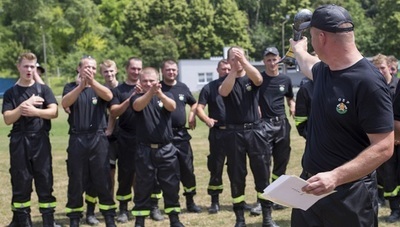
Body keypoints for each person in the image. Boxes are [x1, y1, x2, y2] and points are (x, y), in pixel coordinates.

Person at [289, 4, 394, 226]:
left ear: (322, 37)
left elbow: (384, 146)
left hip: (349, 194)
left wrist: (334, 177)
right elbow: (307, 63)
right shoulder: (325, 70)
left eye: (312, 35)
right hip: (310, 188)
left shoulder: (368, 82)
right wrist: (298, 49)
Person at [218, 46, 278, 227]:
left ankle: (267, 217)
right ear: (228, 61)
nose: (237, 61)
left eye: (240, 57)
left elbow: (259, 79)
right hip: (234, 132)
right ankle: (239, 219)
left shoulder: (251, 76)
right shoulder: (226, 80)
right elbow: (223, 92)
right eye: (233, 58)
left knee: (262, 173)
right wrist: (233, 71)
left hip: (255, 131)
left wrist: (243, 61)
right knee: (237, 174)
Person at [2, 52, 59, 227]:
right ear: (18, 67)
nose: (29, 70)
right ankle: (23, 221)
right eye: (26, 66)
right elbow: (8, 118)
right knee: (21, 181)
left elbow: (54, 112)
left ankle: (48, 221)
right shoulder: (11, 92)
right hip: (20, 141)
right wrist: (23, 106)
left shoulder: (44, 89)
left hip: (40, 140)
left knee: (45, 179)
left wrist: (36, 112)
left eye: (32, 66)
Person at [62, 56, 117, 227]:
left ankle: (108, 216)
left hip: (98, 138)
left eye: (93, 68)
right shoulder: (70, 87)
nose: (90, 71)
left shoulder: (100, 88)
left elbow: (109, 96)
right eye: (87, 67)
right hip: (78, 137)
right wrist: (81, 86)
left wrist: (92, 83)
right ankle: (74, 217)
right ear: (79, 69)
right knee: (76, 179)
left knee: (102, 177)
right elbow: (65, 102)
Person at [131, 67, 184, 227]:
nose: (149, 84)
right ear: (140, 82)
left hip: (166, 149)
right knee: (142, 186)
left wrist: (159, 93)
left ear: (158, 81)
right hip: (144, 149)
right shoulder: (137, 97)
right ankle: (140, 221)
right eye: (145, 81)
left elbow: (172, 106)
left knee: (171, 185)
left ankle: (174, 219)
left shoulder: (166, 95)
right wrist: (150, 92)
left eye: (152, 81)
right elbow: (137, 107)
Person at [251, 46, 295, 215]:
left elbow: (290, 97)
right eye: (268, 60)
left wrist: (292, 105)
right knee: (263, 165)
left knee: (281, 163)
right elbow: (251, 98)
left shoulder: (285, 80)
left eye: (274, 59)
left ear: (279, 60)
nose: (271, 62)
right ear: (264, 62)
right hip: (264, 126)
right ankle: (261, 201)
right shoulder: (259, 81)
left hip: (282, 125)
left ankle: (276, 198)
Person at [160, 59, 202, 213]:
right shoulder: (157, 88)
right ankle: (161, 205)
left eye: (174, 70)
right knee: (165, 171)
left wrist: (192, 114)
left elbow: (194, 102)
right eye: (168, 70)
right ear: (162, 71)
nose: (171, 72)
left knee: (187, 169)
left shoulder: (182, 87)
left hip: (181, 135)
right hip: (163, 136)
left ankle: (190, 201)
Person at [83, 59, 121, 225]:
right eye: (105, 72)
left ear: (117, 70)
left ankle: (125, 208)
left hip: (127, 138)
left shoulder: (125, 88)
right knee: (104, 175)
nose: (109, 74)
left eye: (111, 71)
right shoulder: (97, 89)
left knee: (131, 174)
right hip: (105, 138)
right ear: (101, 73)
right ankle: (95, 209)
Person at [196, 59, 230, 214]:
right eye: (223, 69)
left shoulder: (236, 85)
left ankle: (239, 201)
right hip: (217, 133)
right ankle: (214, 202)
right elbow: (200, 108)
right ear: (218, 70)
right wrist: (206, 119)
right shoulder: (209, 87)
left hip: (235, 133)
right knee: (215, 168)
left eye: (229, 69)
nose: (227, 72)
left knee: (238, 169)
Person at [371, 53, 400, 223]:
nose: (380, 71)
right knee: (388, 176)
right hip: (383, 138)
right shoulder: (373, 87)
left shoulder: (398, 85)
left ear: (389, 67)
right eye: (377, 69)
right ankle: (395, 209)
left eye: (382, 68)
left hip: (398, 138)